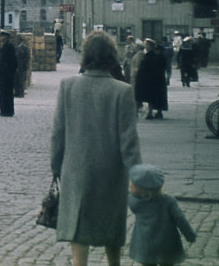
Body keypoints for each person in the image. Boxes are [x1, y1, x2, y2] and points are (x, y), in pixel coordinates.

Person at [51, 30, 142, 266]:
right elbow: (129, 140)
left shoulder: (68, 86)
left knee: (79, 225)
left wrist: (56, 166)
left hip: (75, 168)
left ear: (85, 55)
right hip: (111, 171)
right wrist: (138, 176)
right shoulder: (123, 91)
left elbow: (58, 133)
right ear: (112, 56)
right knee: (111, 224)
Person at [127, 164, 196, 266]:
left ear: (142, 190)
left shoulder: (135, 202)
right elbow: (180, 219)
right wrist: (189, 235)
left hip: (146, 245)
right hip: (167, 244)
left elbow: (127, 195)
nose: (130, 186)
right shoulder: (169, 201)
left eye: (132, 185)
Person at [136, 39, 168, 119]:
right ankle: (156, 112)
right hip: (156, 79)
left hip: (150, 79)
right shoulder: (152, 55)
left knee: (150, 96)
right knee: (155, 96)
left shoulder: (150, 55)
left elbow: (146, 67)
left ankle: (150, 112)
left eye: (146, 44)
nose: (145, 46)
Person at [0, 31, 18, 117]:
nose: (0, 38)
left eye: (2, 36)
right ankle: (4, 109)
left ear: (6, 37)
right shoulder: (5, 46)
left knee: (7, 92)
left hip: (7, 73)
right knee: (3, 92)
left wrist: (9, 70)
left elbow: (13, 60)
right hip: (4, 73)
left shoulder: (9, 46)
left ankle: (8, 110)